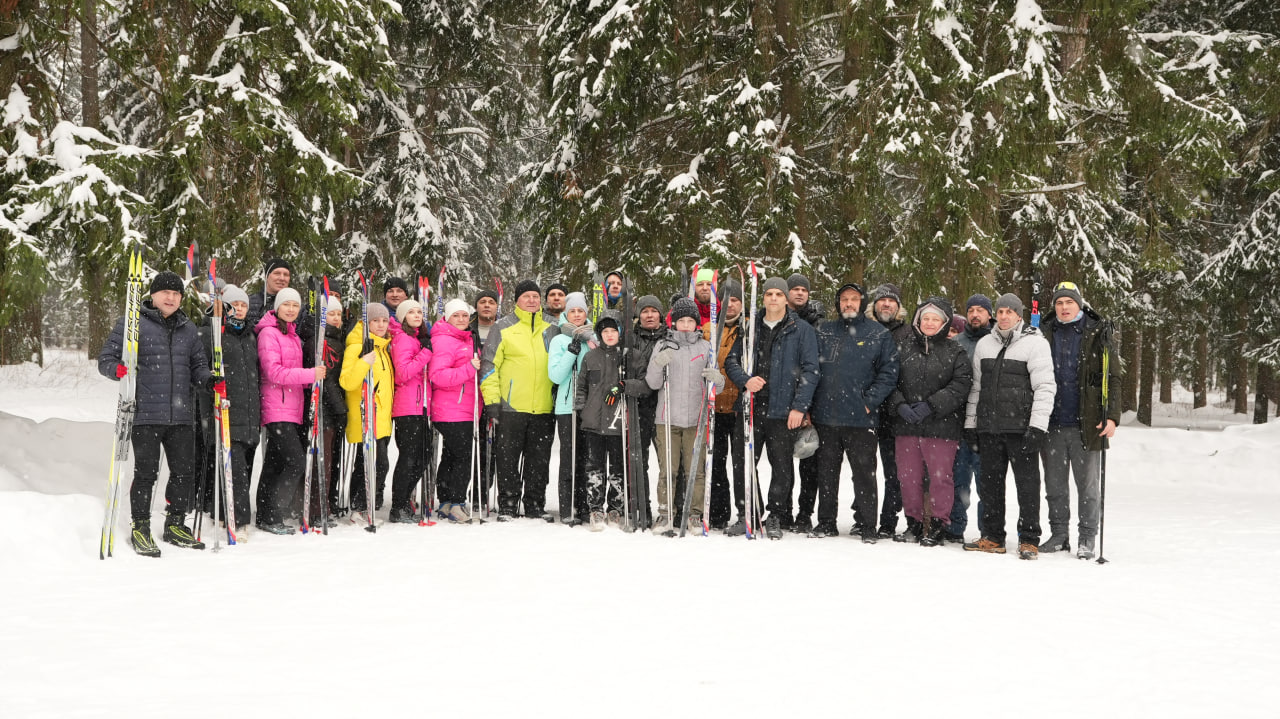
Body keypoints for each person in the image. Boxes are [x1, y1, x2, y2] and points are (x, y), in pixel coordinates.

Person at [99, 270, 212, 556]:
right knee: (146, 473)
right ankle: (141, 526)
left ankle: (175, 523)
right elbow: (106, 359)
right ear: (153, 295)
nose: (171, 298)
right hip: (146, 414)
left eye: (176, 294)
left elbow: (198, 365)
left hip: (181, 416)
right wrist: (118, 370)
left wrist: (208, 379)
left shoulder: (189, 329)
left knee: (184, 472)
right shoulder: (133, 323)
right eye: (166, 293)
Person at [724, 277, 819, 540]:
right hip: (750, 407)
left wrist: (799, 407)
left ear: (786, 298)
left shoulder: (800, 330)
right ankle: (748, 514)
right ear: (763, 298)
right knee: (743, 463)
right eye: (769, 294)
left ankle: (776, 515)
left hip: (783, 410)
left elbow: (811, 371)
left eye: (779, 294)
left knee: (781, 465)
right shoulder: (750, 327)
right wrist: (745, 380)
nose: (774, 298)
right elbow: (732, 362)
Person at [963, 293, 1056, 559]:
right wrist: (972, 424)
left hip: (1021, 429)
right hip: (990, 429)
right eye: (1001, 311)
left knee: (1027, 485)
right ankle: (993, 537)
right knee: (991, 485)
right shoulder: (984, 344)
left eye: (1009, 312)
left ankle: (1029, 539)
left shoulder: (1035, 344)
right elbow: (976, 388)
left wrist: (1037, 427)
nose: (1004, 316)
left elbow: (1045, 388)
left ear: (1019, 315)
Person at [808, 282, 898, 541]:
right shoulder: (824, 331)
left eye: (854, 299)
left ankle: (868, 525)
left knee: (864, 475)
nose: (849, 303)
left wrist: (868, 401)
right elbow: (811, 369)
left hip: (861, 418)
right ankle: (826, 521)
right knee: (826, 473)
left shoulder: (878, 334)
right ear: (838, 303)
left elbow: (889, 373)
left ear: (862, 302)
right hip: (826, 416)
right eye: (844, 299)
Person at [1037, 281, 1120, 559]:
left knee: (1087, 487)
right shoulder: (1043, 332)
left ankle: (1087, 537)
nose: (1064, 308)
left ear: (1079, 304)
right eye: (1059, 303)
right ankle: (1060, 535)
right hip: (1051, 422)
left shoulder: (1098, 333)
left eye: (1069, 302)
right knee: (1055, 485)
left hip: (1088, 423)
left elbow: (1113, 377)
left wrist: (1112, 417)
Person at [886, 298, 972, 546]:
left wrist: (932, 405)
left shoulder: (955, 351)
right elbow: (888, 380)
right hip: (907, 425)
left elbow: (960, 385)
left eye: (936, 319)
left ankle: (937, 524)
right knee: (908, 476)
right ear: (918, 321)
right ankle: (913, 523)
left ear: (944, 323)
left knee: (940, 477)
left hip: (941, 426)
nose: (930, 323)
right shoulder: (902, 348)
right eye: (926, 318)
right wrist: (900, 404)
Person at [645, 297, 723, 534]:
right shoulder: (663, 345)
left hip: (696, 419)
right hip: (667, 418)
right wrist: (658, 363)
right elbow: (652, 382)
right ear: (675, 323)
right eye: (682, 321)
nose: (686, 325)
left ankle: (694, 514)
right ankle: (666, 513)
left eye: (690, 321)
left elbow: (716, 388)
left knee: (695, 471)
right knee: (668, 470)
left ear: (696, 323)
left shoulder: (705, 347)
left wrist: (717, 380)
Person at [481, 279, 556, 521]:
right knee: (508, 459)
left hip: (544, 406)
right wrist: (492, 400)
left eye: (536, 296)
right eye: (527, 297)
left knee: (538, 461)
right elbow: (489, 366)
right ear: (517, 301)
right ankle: (508, 504)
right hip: (510, 407)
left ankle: (534, 504)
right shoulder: (502, 327)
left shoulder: (552, 327)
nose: (532, 300)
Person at [254, 288, 327, 535]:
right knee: (295, 461)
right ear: (277, 307)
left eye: (295, 306)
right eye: (286, 305)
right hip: (276, 408)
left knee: (275, 463)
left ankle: (265, 514)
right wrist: (310, 375)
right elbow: (274, 373)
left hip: (291, 409)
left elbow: (293, 374)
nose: (291, 309)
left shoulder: (294, 336)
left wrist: (313, 381)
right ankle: (274, 513)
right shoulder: (269, 334)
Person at [198, 283, 259, 540]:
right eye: (236, 305)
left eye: (245, 305)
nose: (241, 309)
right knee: (234, 470)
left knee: (243, 467)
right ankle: (240, 520)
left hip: (250, 413)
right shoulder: (211, 333)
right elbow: (200, 372)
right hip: (226, 410)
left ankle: (224, 512)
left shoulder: (250, 335)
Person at [340, 302, 395, 520]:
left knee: (373, 464)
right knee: (373, 464)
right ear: (366, 323)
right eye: (375, 321)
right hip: (365, 416)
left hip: (380, 417)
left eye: (384, 321)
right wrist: (363, 361)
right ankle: (358, 507)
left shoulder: (382, 348)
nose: (381, 325)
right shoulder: (357, 347)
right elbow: (347, 382)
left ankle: (362, 506)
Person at [945, 294, 993, 542]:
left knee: (987, 484)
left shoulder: (997, 341)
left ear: (989, 314)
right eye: (971, 309)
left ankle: (988, 531)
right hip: (958, 424)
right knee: (958, 481)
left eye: (981, 310)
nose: (975, 314)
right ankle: (955, 528)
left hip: (988, 425)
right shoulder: (956, 343)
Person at [430, 299, 482, 522]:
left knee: (451, 456)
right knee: (463, 456)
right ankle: (457, 502)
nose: (461, 319)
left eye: (464, 315)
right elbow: (438, 376)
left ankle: (446, 501)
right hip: (452, 409)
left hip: (462, 408)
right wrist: (469, 368)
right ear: (447, 318)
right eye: (456, 316)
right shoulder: (444, 340)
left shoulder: (466, 338)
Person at [576, 311, 629, 530]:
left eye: (613, 331)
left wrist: (623, 385)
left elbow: (635, 382)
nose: (609, 335)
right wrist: (581, 409)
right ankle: (595, 508)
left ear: (619, 333)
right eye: (605, 331)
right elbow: (582, 386)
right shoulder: (591, 357)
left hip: (617, 424)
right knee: (594, 468)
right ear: (600, 334)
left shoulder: (626, 357)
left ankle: (615, 508)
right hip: (594, 423)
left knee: (617, 468)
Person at [866, 282, 911, 537]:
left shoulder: (908, 333)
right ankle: (865, 517)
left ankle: (887, 521)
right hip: (865, 411)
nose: (886, 304)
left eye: (891, 301)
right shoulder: (865, 330)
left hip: (895, 414)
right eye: (882, 300)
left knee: (893, 473)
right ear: (874, 304)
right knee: (864, 470)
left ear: (898, 306)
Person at [548, 292, 595, 525]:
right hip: (566, 407)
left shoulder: (594, 339)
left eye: (581, 311)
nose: (577, 315)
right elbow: (555, 375)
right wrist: (571, 352)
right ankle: (567, 508)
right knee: (568, 458)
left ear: (586, 313)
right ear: (566, 313)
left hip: (588, 407)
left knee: (587, 459)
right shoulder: (559, 340)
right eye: (573, 311)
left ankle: (584, 505)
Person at [388, 299, 434, 523]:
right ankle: (397, 506)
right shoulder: (402, 339)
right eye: (411, 312)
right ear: (403, 317)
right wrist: (425, 353)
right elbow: (403, 373)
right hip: (407, 407)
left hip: (420, 406)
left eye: (419, 312)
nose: (416, 315)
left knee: (424, 456)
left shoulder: (414, 338)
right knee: (409, 458)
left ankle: (403, 500)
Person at [786, 272, 825, 534]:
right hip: (781, 399)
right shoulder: (778, 319)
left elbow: (816, 366)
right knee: (782, 462)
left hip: (810, 400)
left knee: (809, 462)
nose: (800, 293)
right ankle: (781, 511)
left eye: (804, 290)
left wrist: (807, 405)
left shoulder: (817, 323)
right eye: (795, 289)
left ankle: (805, 512)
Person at [710, 280, 747, 531]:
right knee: (715, 464)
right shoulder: (708, 329)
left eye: (735, 300)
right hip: (714, 408)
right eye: (727, 300)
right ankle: (717, 513)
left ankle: (746, 511)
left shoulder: (749, 330)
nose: (730, 304)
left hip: (738, 408)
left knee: (741, 464)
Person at [319, 297, 348, 515]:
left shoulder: (339, 338)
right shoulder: (323, 340)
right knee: (325, 459)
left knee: (333, 458)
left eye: (338, 314)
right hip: (325, 408)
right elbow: (327, 378)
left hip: (335, 406)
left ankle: (328, 500)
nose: (336, 318)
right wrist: (339, 407)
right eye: (331, 314)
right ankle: (319, 506)